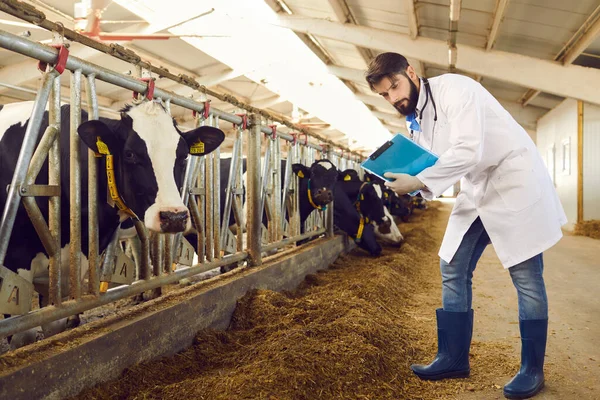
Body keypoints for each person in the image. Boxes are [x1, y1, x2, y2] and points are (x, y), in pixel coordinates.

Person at [365, 52, 567, 399]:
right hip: (477, 189)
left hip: (513, 180)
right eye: (384, 95)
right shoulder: (413, 119)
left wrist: (417, 181)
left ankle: (532, 369)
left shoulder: (457, 90)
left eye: (395, 86)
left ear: (411, 72)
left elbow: (469, 150)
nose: (394, 98)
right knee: (452, 265)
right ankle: (452, 358)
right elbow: (433, 161)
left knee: (526, 276)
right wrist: (403, 173)